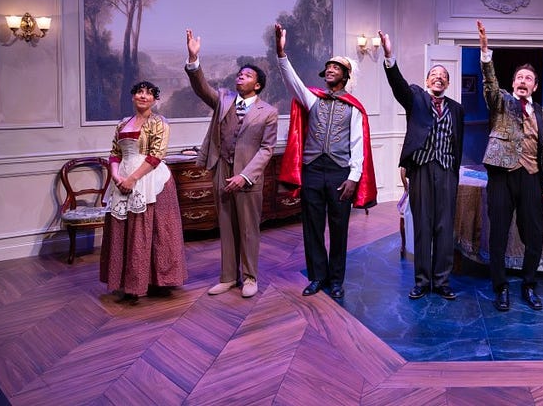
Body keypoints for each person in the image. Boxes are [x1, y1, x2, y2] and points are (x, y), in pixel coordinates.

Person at [275, 23, 377, 299]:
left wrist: (353, 178)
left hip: (339, 173)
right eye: (327, 67)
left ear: (345, 75)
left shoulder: (354, 107)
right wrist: (281, 53)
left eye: (335, 68)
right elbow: (292, 80)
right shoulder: (312, 98)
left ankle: (336, 280)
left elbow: (358, 145)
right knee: (312, 227)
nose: (329, 70)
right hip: (312, 169)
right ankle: (317, 277)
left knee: (340, 228)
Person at [185, 29, 279, 298]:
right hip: (222, 169)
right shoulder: (223, 100)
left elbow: (267, 149)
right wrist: (194, 60)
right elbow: (201, 88)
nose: (241, 76)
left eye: (247, 75)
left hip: (248, 176)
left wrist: (246, 176)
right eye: (240, 73)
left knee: (249, 229)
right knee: (225, 226)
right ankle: (227, 276)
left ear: (257, 85)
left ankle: (250, 278)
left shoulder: (268, 112)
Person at [477, 20, 543, 312]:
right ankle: (501, 288)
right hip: (502, 174)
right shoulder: (501, 102)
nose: (523, 81)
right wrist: (486, 49)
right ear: (513, 83)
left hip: (532, 177)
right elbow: (489, 81)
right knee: (498, 232)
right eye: (519, 77)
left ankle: (529, 284)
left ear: (535, 85)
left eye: (528, 78)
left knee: (534, 234)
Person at [380, 30, 465, 301]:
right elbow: (398, 85)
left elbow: (458, 142)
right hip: (422, 169)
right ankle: (421, 281)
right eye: (434, 75)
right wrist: (389, 56)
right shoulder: (416, 97)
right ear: (427, 80)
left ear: (448, 83)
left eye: (443, 76)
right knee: (424, 225)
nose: (438, 78)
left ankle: (442, 281)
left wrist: (453, 170)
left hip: (447, 170)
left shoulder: (457, 109)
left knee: (444, 226)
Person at [100, 81, 186, 304]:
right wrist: (117, 177)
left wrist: (132, 179)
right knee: (124, 229)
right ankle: (127, 281)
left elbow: (156, 155)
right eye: (139, 92)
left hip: (150, 178)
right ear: (133, 96)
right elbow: (114, 153)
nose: (143, 96)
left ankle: (154, 280)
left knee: (151, 230)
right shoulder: (122, 124)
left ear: (155, 100)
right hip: (123, 177)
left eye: (149, 94)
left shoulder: (159, 123)